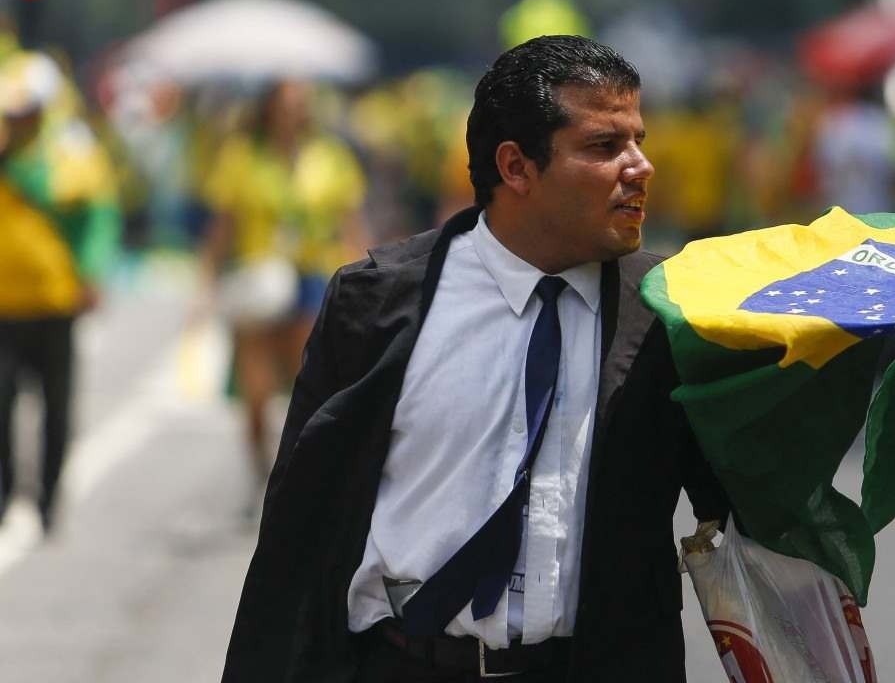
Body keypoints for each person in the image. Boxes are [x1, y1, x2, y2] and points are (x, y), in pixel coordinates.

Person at [222, 36, 729, 682]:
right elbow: (300, 527)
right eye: (605, 147)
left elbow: (747, 500)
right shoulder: (377, 302)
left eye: (639, 140)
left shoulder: (668, 312)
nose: (641, 166)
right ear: (516, 167)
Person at [197, 79, 370, 504]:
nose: (294, 111)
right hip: (258, 277)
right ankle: (260, 473)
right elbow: (224, 224)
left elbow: (350, 221)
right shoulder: (242, 157)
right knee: (255, 392)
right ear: (269, 108)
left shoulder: (329, 157)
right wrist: (206, 281)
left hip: (313, 275)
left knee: (305, 385)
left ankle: (301, 478)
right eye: (287, 103)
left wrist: (366, 274)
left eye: (301, 104)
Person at [0, 51, 120, 533]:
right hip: (5, 303)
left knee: (55, 407)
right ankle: (6, 492)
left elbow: (94, 214)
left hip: (53, 300)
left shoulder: (67, 153)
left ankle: (49, 498)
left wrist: (91, 274)